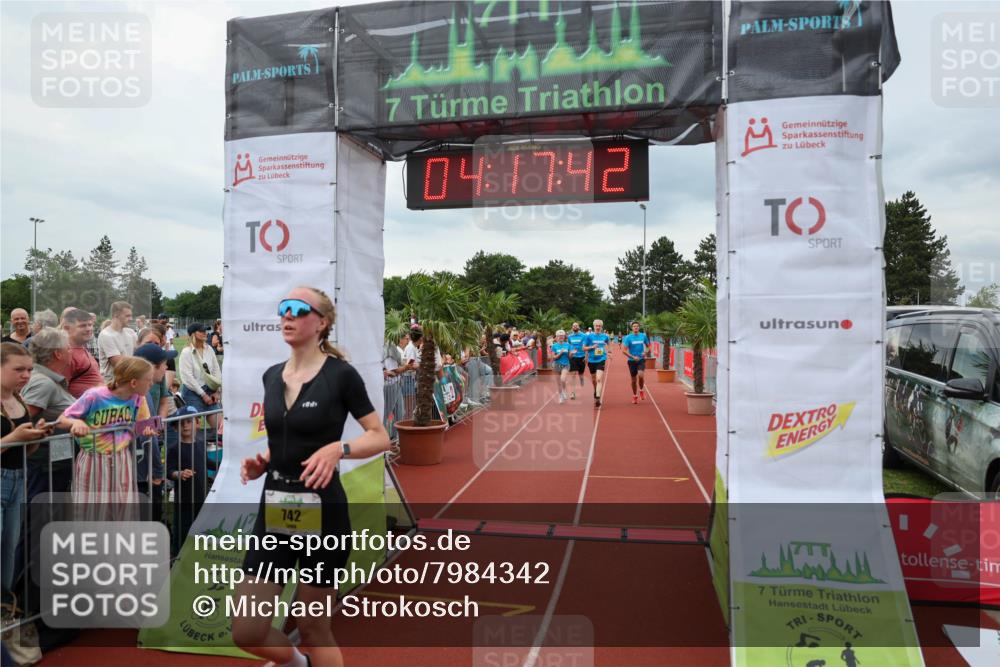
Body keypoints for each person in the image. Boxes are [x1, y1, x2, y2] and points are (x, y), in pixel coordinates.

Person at [234, 286, 390, 667]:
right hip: (275, 508)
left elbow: (380, 436)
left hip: (324, 512)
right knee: (247, 629)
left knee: (313, 627)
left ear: (321, 323)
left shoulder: (341, 376)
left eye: (299, 309)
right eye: (284, 308)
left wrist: (340, 448)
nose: (288, 315)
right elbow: (285, 438)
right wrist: (264, 461)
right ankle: (296, 664)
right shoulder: (272, 376)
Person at [56, 357, 154, 508]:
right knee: (91, 510)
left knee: (122, 508)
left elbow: (142, 424)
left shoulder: (138, 399)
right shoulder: (95, 395)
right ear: (134, 382)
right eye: (148, 380)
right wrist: (75, 422)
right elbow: (61, 419)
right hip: (93, 460)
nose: (151, 383)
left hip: (122, 459)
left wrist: (146, 429)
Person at [1, 343, 48, 596]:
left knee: (9, 548)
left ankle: (4, 608)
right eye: (19, 369)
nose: (26, 375)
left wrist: (35, 437)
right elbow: (12, 442)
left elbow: (24, 451)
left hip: (19, 479)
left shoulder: (19, 399)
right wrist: (14, 437)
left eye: (29, 369)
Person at [21, 328, 76, 499]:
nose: (71, 351)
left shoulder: (47, 379)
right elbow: (21, 418)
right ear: (58, 354)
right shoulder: (43, 382)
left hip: (53, 462)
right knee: (38, 508)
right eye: (68, 347)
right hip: (44, 464)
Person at [133, 343, 177, 523]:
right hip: (143, 475)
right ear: (151, 367)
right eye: (164, 364)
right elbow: (145, 436)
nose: (166, 368)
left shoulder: (145, 393)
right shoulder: (140, 395)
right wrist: (157, 470)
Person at [166, 405, 206, 557]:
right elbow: (169, 471)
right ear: (175, 428)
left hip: (201, 498)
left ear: (198, 423)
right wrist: (179, 474)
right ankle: (177, 559)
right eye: (181, 423)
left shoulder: (201, 444)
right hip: (184, 501)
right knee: (182, 532)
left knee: (200, 531)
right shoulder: (174, 448)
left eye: (189, 421)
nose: (185, 426)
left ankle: (195, 558)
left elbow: (207, 462)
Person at [178, 322, 221, 433]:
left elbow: (216, 370)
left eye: (205, 331)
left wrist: (217, 391)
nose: (205, 333)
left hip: (210, 391)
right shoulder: (186, 352)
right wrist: (203, 394)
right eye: (201, 331)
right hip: (192, 393)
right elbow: (188, 377)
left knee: (220, 428)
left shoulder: (209, 349)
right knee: (192, 430)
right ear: (193, 334)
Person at [61, 308, 104, 398]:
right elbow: (59, 389)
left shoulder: (80, 348)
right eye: (82, 326)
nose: (89, 329)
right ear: (67, 328)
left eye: (90, 325)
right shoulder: (67, 353)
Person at [97, 301, 138, 382]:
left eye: (131, 315)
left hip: (128, 380)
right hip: (111, 383)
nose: (131, 319)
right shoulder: (106, 335)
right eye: (127, 316)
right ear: (116, 315)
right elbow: (119, 363)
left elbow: (140, 353)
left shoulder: (131, 332)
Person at [583, 319, 611, 407]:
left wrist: (609, 352)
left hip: (601, 359)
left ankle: (598, 397)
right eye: (596, 326)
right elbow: (584, 348)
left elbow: (608, 343)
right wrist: (592, 347)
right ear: (594, 326)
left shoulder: (605, 336)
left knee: (599, 379)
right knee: (594, 380)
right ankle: (596, 391)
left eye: (599, 326)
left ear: (602, 327)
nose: (598, 327)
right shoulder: (588, 336)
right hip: (591, 360)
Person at [622, 321, 651, 404]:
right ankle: (635, 396)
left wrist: (645, 352)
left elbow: (649, 346)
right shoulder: (628, 337)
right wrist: (633, 357)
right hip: (632, 361)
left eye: (637, 326)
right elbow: (624, 351)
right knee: (633, 380)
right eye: (634, 326)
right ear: (632, 328)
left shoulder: (643, 336)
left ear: (639, 327)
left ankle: (641, 390)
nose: (636, 327)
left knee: (641, 375)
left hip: (641, 359)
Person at [566, 322, 588, 400]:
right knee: (573, 374)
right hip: (573, 357)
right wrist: (569, 353)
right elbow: (568, 346)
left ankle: (581, 379)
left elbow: (585, 346)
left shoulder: (584, 336)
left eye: (576, 326)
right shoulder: (569, 337)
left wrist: (586, 356)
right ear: (572, 328)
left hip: (581, 357)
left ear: (579, 327)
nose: (575, 327)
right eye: (573, 326)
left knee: (580, 374)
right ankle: (573, 393)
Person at [550, 329, 571, 404]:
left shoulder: (568, 345)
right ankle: (561, 396)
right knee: (558, 382)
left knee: (563, 379)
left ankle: (564, 390)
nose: (561, 337)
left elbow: (569, 357)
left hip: (566, 364)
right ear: (556, 337)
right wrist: (560, 353)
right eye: (559, 336)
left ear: (564, 337)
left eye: (562, 336)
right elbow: (553, 357)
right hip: (557, 365)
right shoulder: (554, 346)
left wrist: (572, 354)